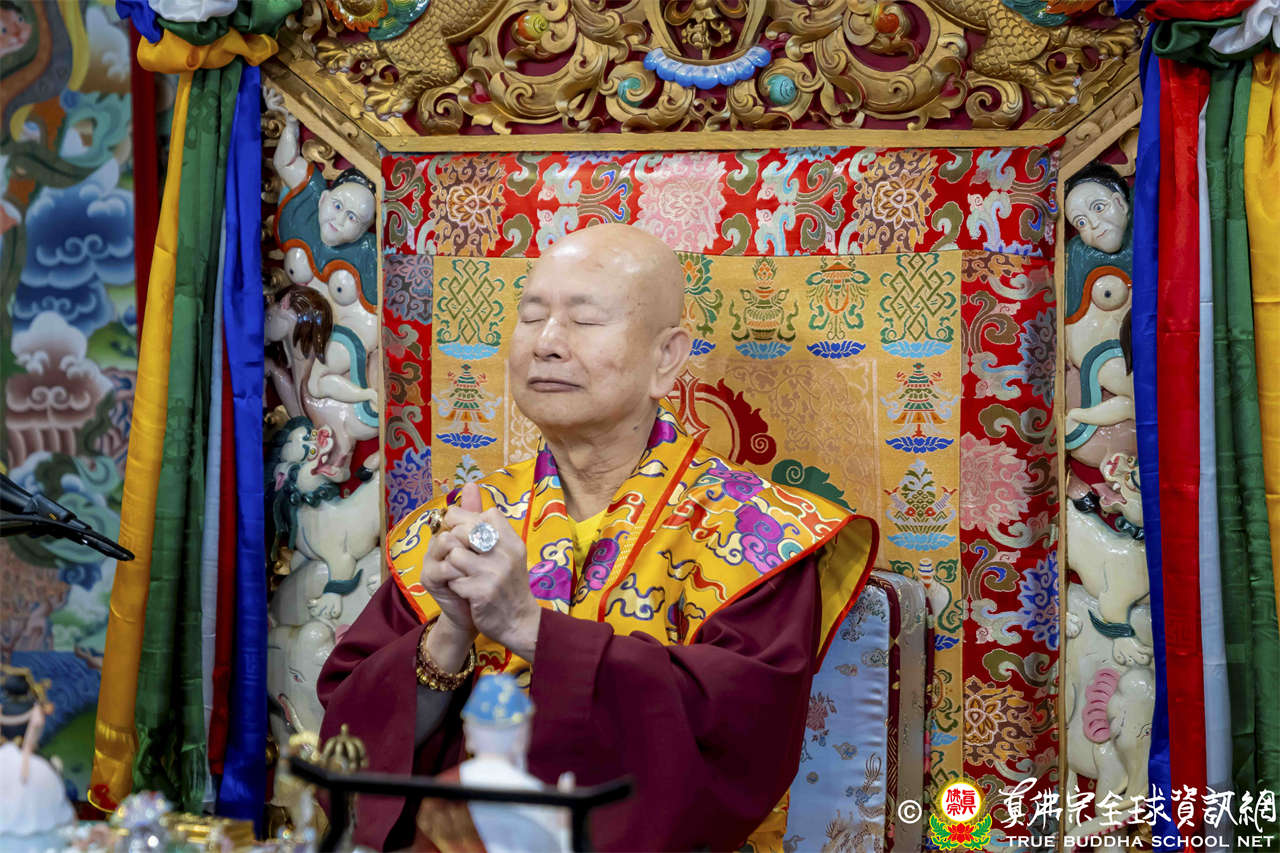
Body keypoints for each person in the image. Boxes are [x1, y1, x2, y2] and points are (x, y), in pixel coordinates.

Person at [317, 223, 878, 851]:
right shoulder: (460, 525)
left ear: (666, 358)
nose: (547, 344)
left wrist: (527, 628)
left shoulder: (760, 533)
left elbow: (740, 741)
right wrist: (448, 634)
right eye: (532, 317)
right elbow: (350, 750)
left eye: (584, 320)